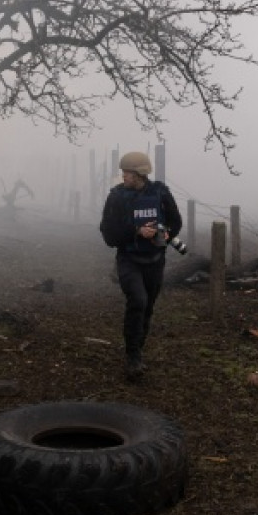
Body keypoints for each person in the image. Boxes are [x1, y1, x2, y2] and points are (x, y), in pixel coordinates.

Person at [99, 151, 182, 382]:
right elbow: (108, 234)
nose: (123, 176)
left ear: (140, 174)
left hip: (155, 260)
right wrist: (136, 231)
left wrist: (164, 233)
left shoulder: (160, 193)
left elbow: (176, 222)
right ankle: (132, 356)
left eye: (127, 173)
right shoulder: (116, 197)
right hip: (128, 260)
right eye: (123, 172)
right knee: (138, 301)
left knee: (148, 307)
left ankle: (138, 347)